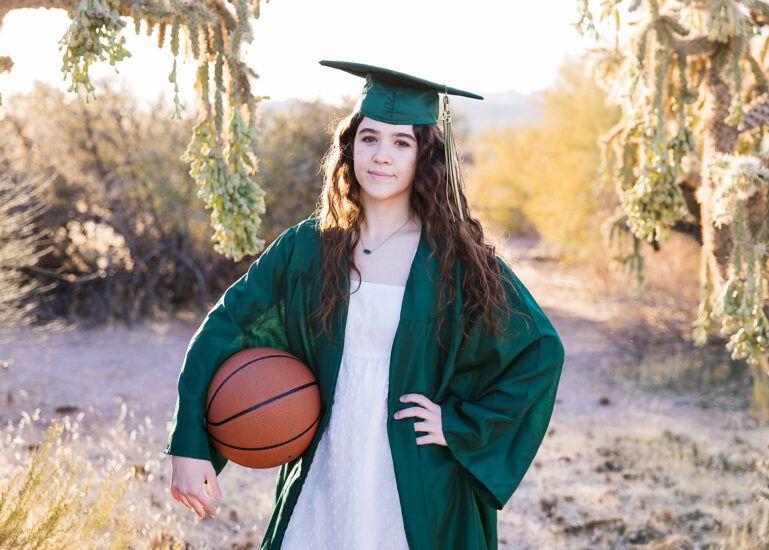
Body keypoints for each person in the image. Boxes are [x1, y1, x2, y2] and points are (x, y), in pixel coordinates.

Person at [164, 60, 566, 550]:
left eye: (402, 143)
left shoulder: (457, 261)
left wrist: (459, 425)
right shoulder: (306, 250)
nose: (382, 156)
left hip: (418, 482)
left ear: (425, 156)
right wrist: (189, 444)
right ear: (350, 146)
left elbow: (540, 353)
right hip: (326, 472)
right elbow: (223, 330)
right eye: (370, 138)